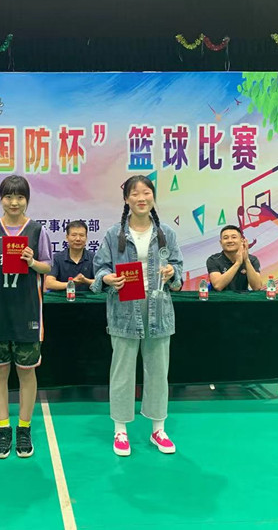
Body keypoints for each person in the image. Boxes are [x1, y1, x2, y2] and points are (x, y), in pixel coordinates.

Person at [91, 175, 183, 457]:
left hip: (158, 309)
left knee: (158, 371)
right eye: (135, 193)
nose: (141, 198)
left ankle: (158, 429)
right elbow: (100, 269)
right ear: (126, 199)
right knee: (122, 372)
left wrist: (172, 273)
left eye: (146, 192)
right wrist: (107, 279)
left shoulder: (166, 233)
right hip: (124, 309)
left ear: (153, 197)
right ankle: (120, 430)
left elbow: (178, 271)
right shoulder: (113, 234)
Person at [0, 175, 52, 459]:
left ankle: (24, 428)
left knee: (27, 371)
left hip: (27, 311)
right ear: (1, 199)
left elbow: (47, 267)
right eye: (8, 196)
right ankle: (3, 429)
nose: (14, 202)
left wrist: (32, 262)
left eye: (20, 197)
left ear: (27, 200)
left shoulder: (37, 231)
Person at [206, 225, 262, 292]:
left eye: (234, 237)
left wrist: (246, 260)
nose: (230, 241)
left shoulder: (252, 260)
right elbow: (218, 286)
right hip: (219, 298)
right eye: (226, 238)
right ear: (221, 243)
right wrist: (238, 263)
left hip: (242, 297)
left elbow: (257, 287)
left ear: (242, 241)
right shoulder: (213, 260)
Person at [44, 219, 95, 292]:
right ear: (67, 237)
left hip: (89, 298)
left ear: (86, 238)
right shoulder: (56, 258)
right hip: (62, 298)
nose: (78, 239)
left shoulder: (94, 258)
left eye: (82, 235)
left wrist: (85, 280)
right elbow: (49, 283)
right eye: (74, 235)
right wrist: (71, 284)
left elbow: (102, 282)